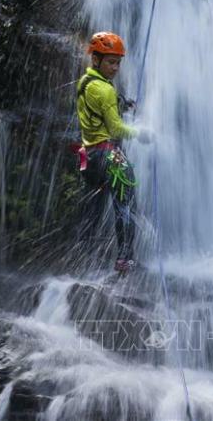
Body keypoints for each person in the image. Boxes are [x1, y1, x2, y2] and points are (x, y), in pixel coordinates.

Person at [75, 31, 151, 274]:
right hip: (109, 155)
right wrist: (141, 134)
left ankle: (85, 255)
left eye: (118, 62)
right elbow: (115, 127)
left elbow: (99, 106)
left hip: (88, 156)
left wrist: (122, 103)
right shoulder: (106, 90)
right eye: (110, 61)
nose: (116, 67)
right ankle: (125, 260)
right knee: (127, 205)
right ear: (95, 60)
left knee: (94, 205)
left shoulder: (85, 83)